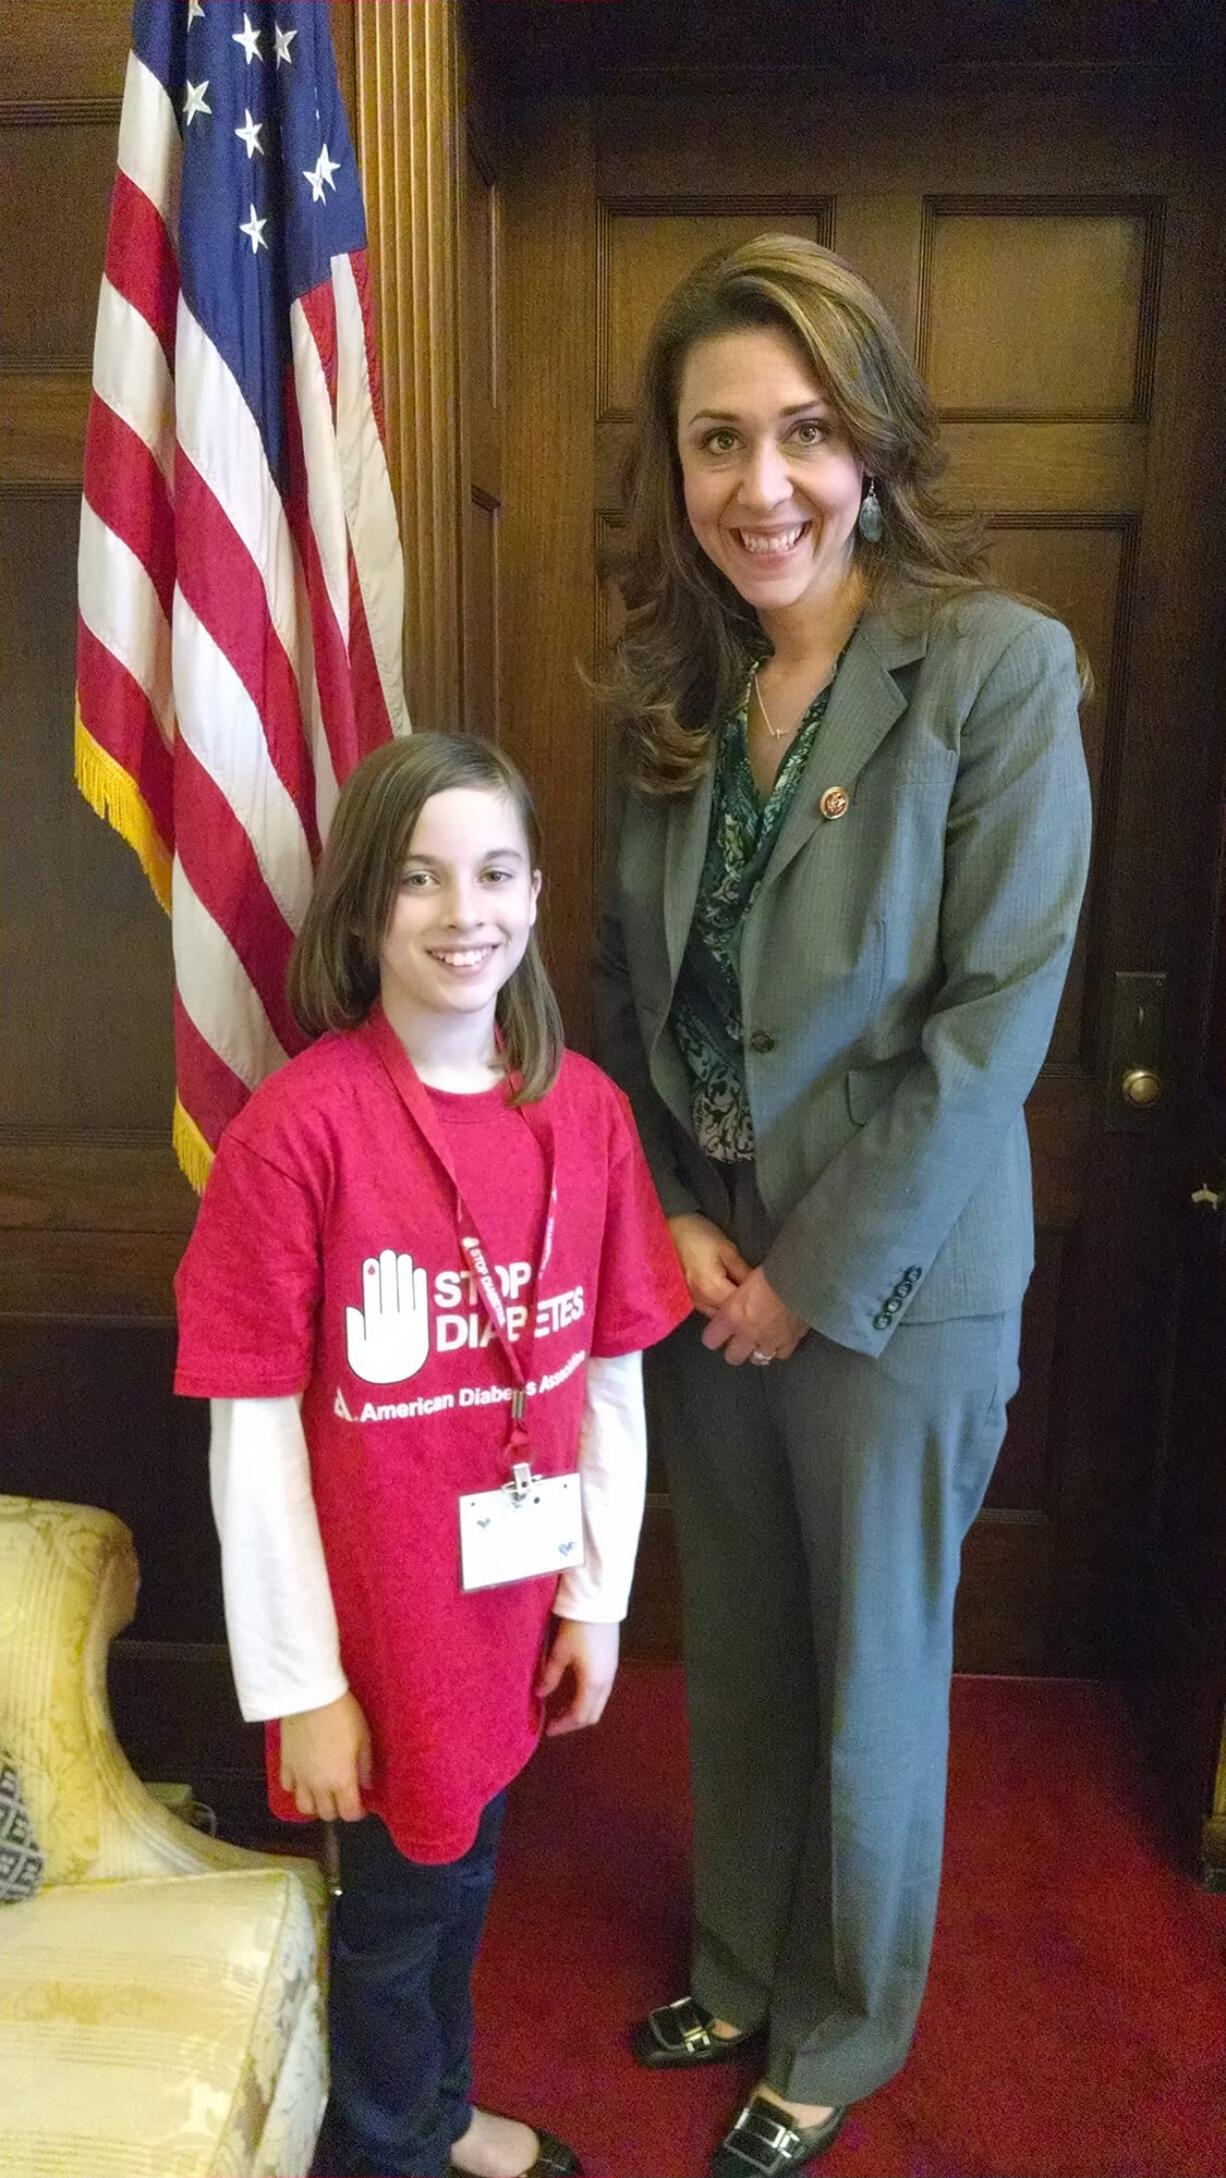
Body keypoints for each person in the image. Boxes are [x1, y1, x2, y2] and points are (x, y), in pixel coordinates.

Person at [593, 234, 1093, 2178]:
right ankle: (735, 1960)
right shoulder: (667, 691)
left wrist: (808, 1276)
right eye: (718, 438)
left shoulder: (990, 667)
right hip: (705, 1271)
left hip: (891, 1289)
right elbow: (626, 1010)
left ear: (871, 437)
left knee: (872, 1674)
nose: (761, 481)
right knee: (742, 1651)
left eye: (804, 429)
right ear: (678, 463)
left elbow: (990, 1024)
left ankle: (839, 2028)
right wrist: (666, 1217)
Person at [174, 732, 690, 2178]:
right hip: (376, 1627)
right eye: (418, 879)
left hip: (508, 1605)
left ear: (533, 892)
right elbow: (254, 1438)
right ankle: (391, 2143)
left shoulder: (582, 1112)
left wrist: (594, 1597)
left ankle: (438, 2110)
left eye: (494, 871)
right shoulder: (299, 1134)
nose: (464, 911)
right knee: (397, 1916)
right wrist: (303, 1689)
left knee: (459, 1877)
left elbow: (612, 1381)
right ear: (362, 907)